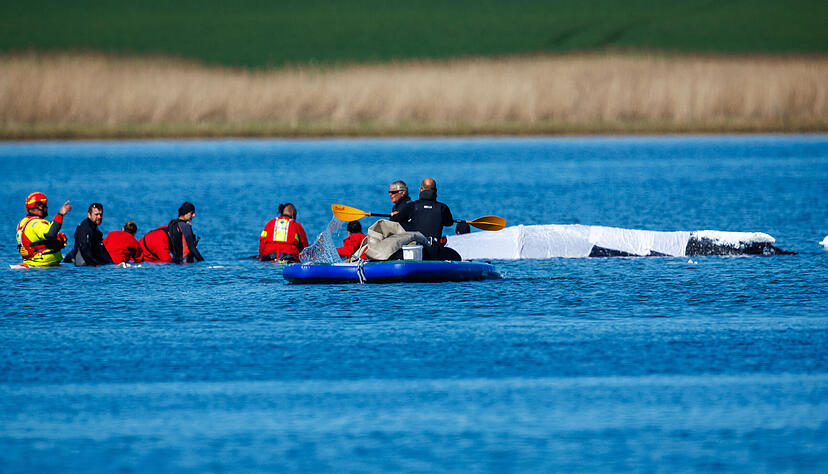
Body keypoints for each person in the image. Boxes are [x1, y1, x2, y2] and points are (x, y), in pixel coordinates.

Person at [390, 178, 461, 261]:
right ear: (436, 191)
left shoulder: (412, 206)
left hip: (416, 250)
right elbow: (449, 223)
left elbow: (393, 220)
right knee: (457, 257)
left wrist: (394, 215)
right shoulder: (443, 208)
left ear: (420, 190)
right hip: (435, 252)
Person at [16, 192, 72, 267]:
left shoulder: (23, 222)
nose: (47, 208)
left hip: (32, 263)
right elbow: (50, 234)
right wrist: (60, 214)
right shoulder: (37, 223)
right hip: (43, 266)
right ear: (39, 206)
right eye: (45, 205)